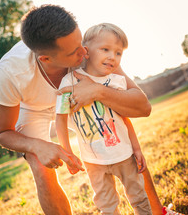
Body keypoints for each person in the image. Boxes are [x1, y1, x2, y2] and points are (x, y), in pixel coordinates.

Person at [0, 4, 178, 215]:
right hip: (33, 108)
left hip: (77, 96)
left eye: (81, 42)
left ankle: (158, 213)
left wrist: (98, 91)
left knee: (118, 135)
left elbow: (142, 107)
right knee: (41, 165)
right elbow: (3, 133)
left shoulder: (89, 46)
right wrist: (36, 146)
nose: (85, 51)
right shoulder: (9, 74)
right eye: (74, 52)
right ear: (45, 59)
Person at [55, 23, 152, 214]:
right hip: (93, 160)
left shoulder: (116, 82)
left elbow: (124, 119)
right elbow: (60, 119)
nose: (112, 57)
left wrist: (137, 148)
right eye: (105, 49)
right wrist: (67, 152)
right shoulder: (69, 82)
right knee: (106, 205)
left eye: (118, 53)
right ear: (86, 52)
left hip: (124, 153)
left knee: (139, 197)